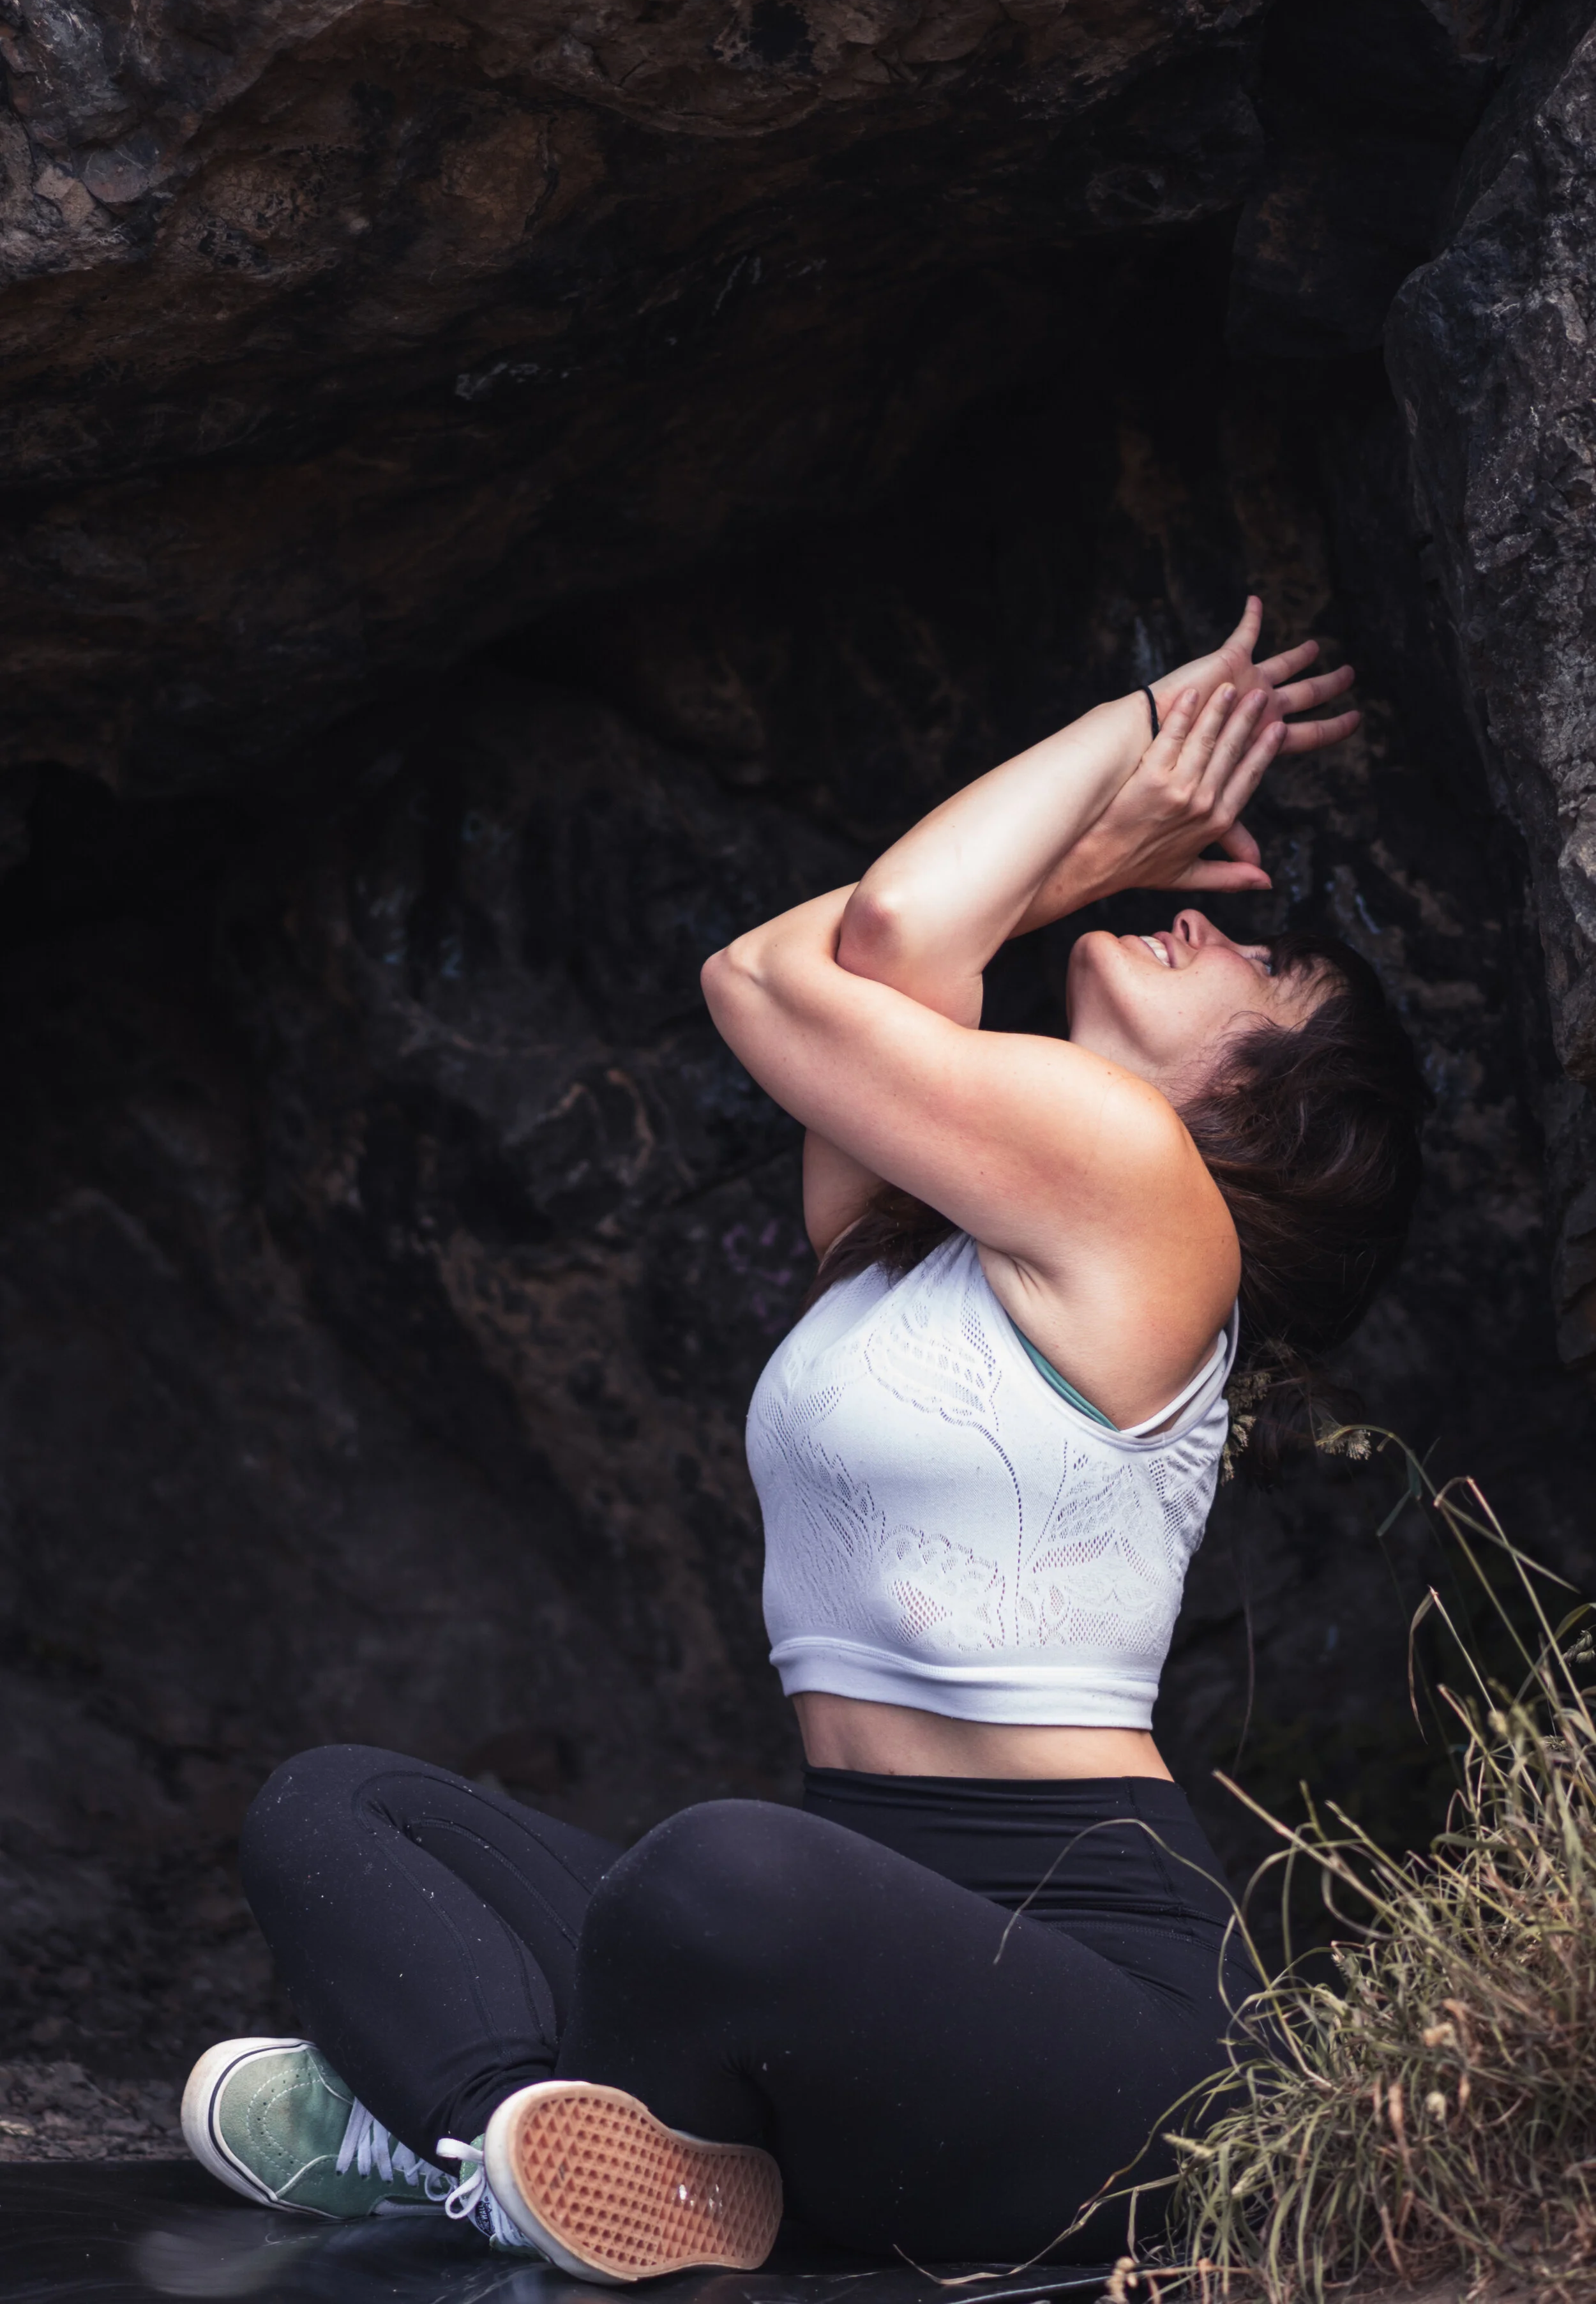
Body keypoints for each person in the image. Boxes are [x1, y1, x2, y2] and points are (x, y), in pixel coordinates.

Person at [179, 602, 1426, 2285]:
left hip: (1103, 2023)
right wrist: (1083, 851)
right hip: (852, 1954)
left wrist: (1122, 754)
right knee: (329, 1810)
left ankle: (456, 2128)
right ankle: (525, 2148)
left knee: (707, 1880)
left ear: (1258, 1113)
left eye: (1261, 965)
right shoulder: (915, 1219)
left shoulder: (1150, 1196)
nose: (1205, 917)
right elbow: (860, 969)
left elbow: (782, 967)